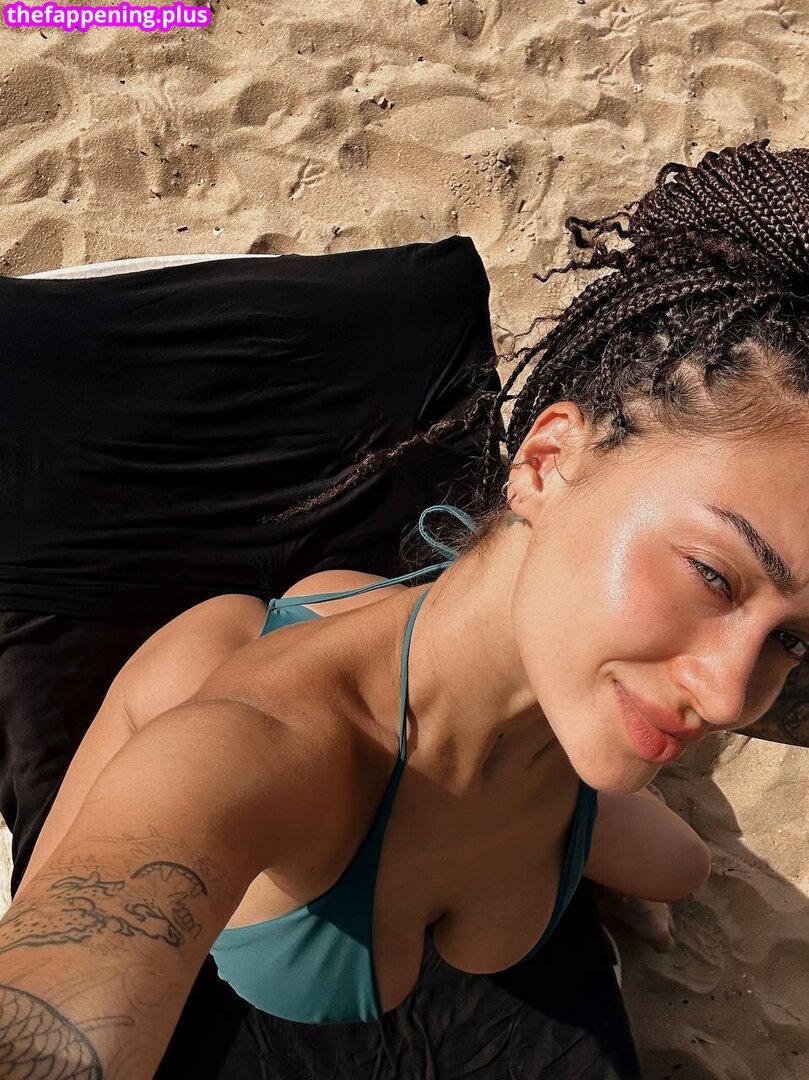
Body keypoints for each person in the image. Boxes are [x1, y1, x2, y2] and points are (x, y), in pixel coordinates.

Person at [2, 138, 808, 1075]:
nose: (727, 699)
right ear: (548, 461)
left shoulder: (587, 696)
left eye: (793, 638)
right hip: (271, 697)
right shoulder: (249, 747)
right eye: (712, 574)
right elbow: (77, 954)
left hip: (517, 734)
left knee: (681, 869)